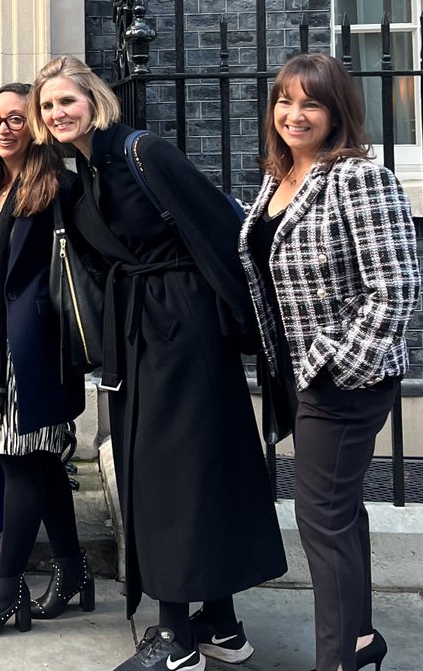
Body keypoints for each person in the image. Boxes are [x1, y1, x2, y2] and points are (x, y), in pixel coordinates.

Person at [33, 55, 286, 671]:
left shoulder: (145, 152)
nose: (58, 113)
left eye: (67, 100)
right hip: (137, 332)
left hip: (183, 328)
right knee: (176, 473)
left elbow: (227, 228)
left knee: (172, 476)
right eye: (48, 107)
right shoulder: (82, 173)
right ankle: (220, 626)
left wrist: (234, 331)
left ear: (95, 99)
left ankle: (176, 640)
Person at [239, 54, 419, 671]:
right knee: (338, 513)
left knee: (321, 521)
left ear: (336, 110)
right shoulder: (279, 176)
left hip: (343, 378)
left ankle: (336, 659)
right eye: (284, 101)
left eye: (310, 103)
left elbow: (395, 288)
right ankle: (360, 640)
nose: (294, 114)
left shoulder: (358, 178)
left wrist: (333, 367)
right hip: (301, 372)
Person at [0, 83, 91, 639]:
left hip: (34, 350)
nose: (3, 127)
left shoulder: (60, 187)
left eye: (15, 118)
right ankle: (74, 570)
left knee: (20, 463)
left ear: (35, 126)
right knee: (41, 463)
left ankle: (6, 592)